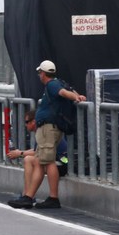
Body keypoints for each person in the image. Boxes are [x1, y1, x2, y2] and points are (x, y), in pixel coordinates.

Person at [32, 60, 85, 210]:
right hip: (50, 127)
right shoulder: (58, 82)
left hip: (49, 128)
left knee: (48, 162)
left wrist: (76, 97)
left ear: (43, 73)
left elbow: (63, 92)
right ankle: (29, 195)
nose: (39, 76)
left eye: (39, 73)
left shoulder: (52, 85)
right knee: (43, 160)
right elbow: (69, 89)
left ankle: (52, 197)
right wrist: (77, 95)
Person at [6, 110, 68, 209]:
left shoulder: (44, 131)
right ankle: (26, 195)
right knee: (28, 159)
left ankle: (30, 197)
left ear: (34, 121)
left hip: (63, 162)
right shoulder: (41, 131)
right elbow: (37, 150)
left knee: (38, 160)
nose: (25, 125)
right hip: (56, 160)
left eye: (27, 122)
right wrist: (22, 153)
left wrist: (20, 153)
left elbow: (40, 153)